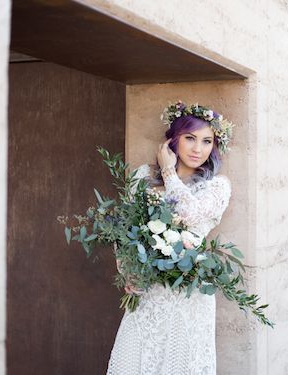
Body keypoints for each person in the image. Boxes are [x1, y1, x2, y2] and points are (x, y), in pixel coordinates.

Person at [106, 101, 234, 374]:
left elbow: (188, 214)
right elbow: (124, 229)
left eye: (206, 141)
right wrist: (128, 270)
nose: (198, 148)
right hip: (148, 291)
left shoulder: (217, 187)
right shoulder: (142, 177)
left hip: (188, 293)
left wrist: (168, 171)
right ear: (173, 139)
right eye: (190, 138)